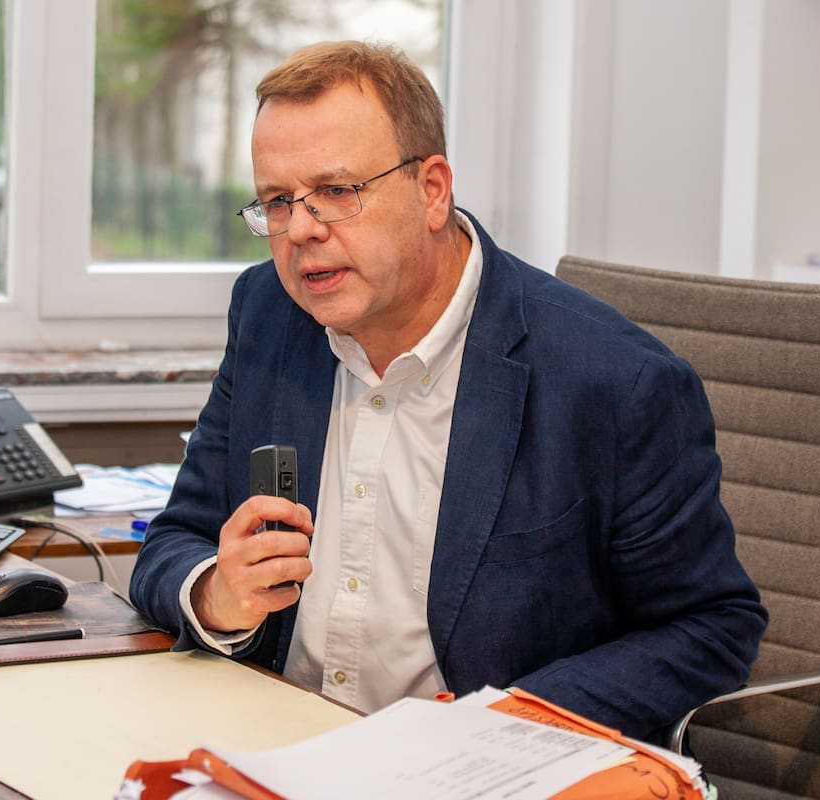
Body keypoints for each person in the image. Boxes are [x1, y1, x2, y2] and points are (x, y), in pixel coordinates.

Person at [128, 40, 767, 745]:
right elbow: (175, 541)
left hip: (484, 770)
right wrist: (216, 595)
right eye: (278, 201)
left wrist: (502, 723)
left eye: (336, 191)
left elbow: (710, 628)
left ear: (432, 191)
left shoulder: (614, 381)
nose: (301, 230)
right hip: (277, 746)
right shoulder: (269, 313)